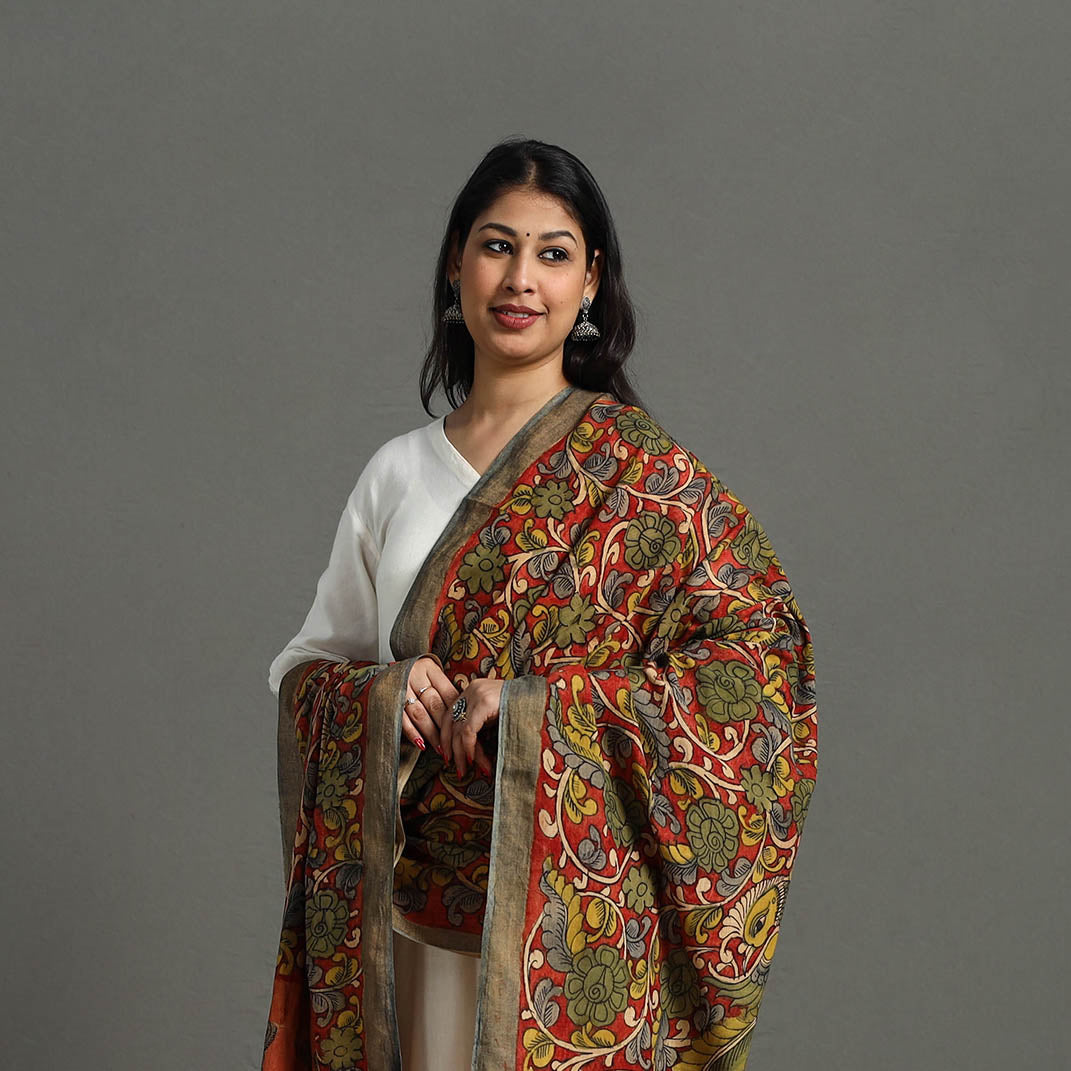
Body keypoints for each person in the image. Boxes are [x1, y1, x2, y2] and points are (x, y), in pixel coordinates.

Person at [262, 138, 818, 1071]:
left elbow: (761, 671)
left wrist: (537, 708)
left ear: (589, 280)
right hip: (409, 934)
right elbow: (305, 669)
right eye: (496, 245)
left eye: (552, 254)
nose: (521, 279)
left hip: (570, 944)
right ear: (455, 263)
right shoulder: (396, 473)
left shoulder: (645, 483)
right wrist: (384, 692)